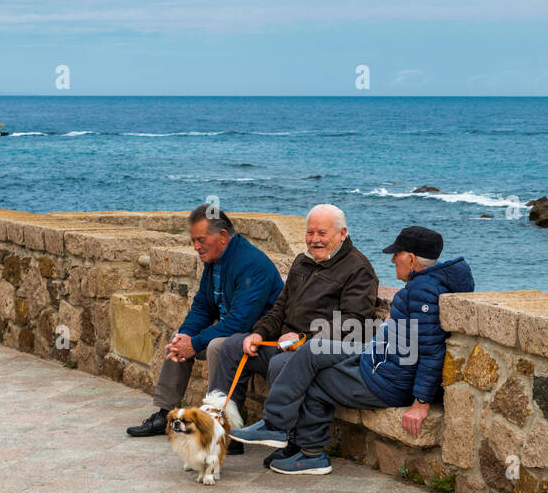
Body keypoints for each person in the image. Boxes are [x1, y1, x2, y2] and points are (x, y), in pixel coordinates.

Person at [230, 225, 474, 474]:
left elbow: (432, 351)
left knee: (313, 378)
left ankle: (308, 452)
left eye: (397, 254)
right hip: (377, 354)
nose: (392, 259)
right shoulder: (425, 284)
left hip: (387, 380)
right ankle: (278, 427)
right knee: (313, 349)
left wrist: (420, 403)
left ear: (411, 259)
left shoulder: (424, 291)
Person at [209, 203, 378, 466]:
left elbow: (354, 322)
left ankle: (290, 440)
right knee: (232, 346)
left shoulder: (359, 268)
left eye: (322, 233)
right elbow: (280, 307)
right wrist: (259, 333)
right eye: (310, 233)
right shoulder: (302, 261)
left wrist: (303, 340)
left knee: (281, 362)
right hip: (287, 342)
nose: (314, 240)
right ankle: (221, 432)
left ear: (342, 234)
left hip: (319, 350)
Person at [126, 205, 282, 440]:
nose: (196, 247)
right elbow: (202, 306)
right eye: (193, 241)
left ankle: (222, 427)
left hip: (258, 338)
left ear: (221, 236)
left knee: (215, 345)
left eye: (201, 240)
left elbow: (241, 321)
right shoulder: (215, 260)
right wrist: (186, 337)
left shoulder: (251, 264)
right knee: (178, 338)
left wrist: (195, 343)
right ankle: (166, 412)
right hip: (235, 331)